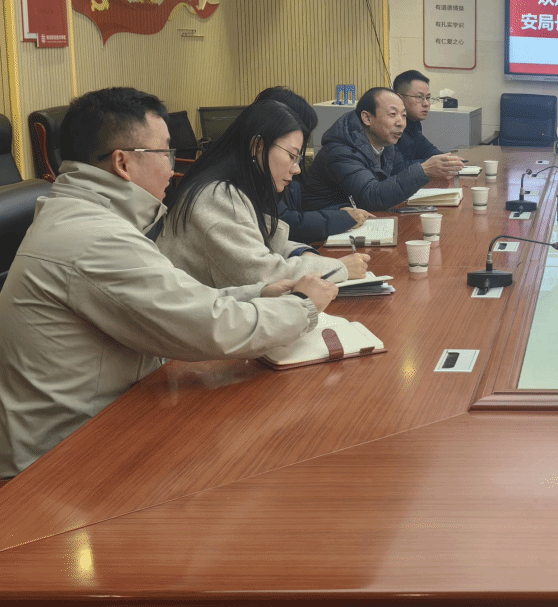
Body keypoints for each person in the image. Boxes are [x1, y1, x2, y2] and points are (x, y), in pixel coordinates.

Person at [0, 87, 338, 478]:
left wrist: (259, 292)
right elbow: (207, 327)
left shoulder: (90, 217)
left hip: (107, 423)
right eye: (165, 152)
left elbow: (179, 296)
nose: (172, 166)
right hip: (59, 463)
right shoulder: (94, 238)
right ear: (123, 162)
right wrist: (303, 307)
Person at [159, 100, 369, 287]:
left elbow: (261, 241)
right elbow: (260, 274)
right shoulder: (216, 197)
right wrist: (339, 268)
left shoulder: (237, 186)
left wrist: (301, 252)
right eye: (292, 156)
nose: (297, 169)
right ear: (258, 146)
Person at [301, 87, 463, 212]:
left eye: (403, 115)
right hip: (326, 233)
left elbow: (399, 170)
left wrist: (433, 167)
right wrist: (424, 170)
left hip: (360, 222)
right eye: (392, 114)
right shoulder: (341, 151)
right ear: (367, 118)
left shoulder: (384, 142)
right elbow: (371, 197)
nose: (401, 123)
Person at [254, 86, 373, 244]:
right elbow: (285, 224)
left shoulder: (285, 167)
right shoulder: (255, 177)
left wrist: (339, 211)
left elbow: (301, 210)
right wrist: (342, 218)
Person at [392, 69, 446, 168]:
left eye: (428, 98)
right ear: (399, 98)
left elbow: (428, 150)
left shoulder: (414, 123)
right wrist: (433, 163)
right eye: (419, 97)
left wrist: (448, 159)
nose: (426, 104)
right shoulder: (391, 126)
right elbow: (397, 168)